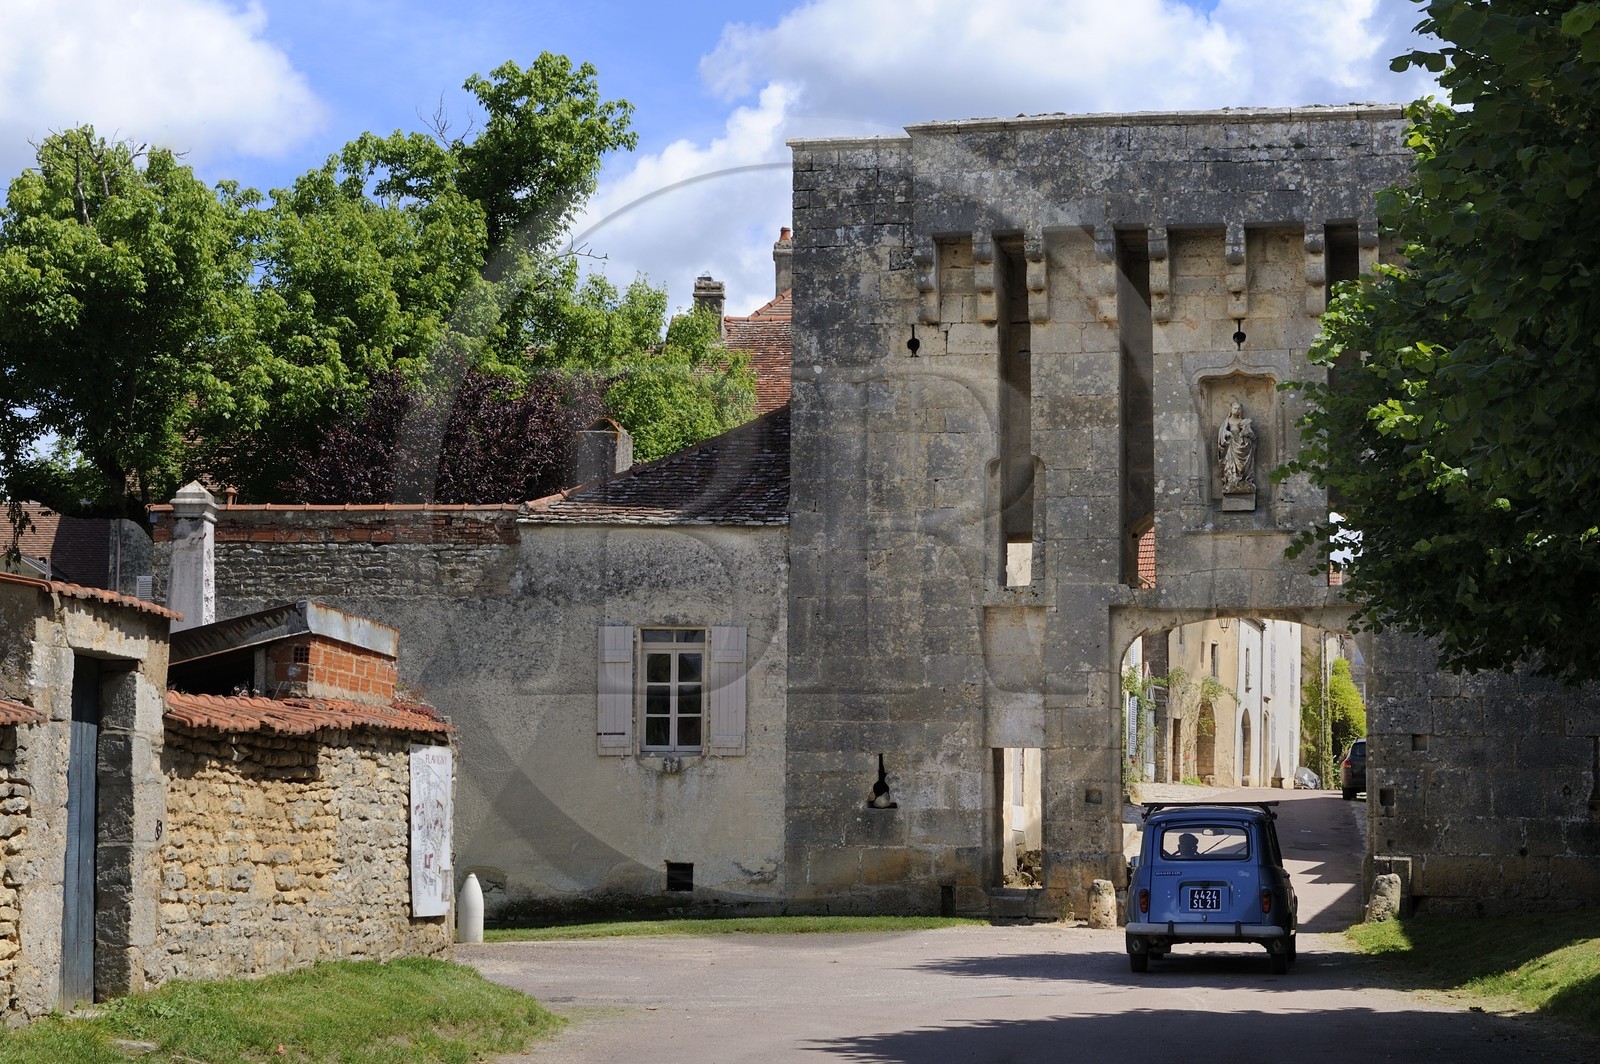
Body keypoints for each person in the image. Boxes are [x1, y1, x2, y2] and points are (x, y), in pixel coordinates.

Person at [1217, 400, 1256, 493]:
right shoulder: (1227, 421)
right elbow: (1222, 433)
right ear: (1230, 410)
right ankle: (1232, 480)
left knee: (1245, 465)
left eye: (1239, 409)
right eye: (1235, 408)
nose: (1237, 410)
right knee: (1230, 463)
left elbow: (1252, 435)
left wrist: (1247, 433)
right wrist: (1227, 433)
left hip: (1242, 445)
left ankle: (1244, 480)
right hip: (1231, 446)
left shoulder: (1242, 421)